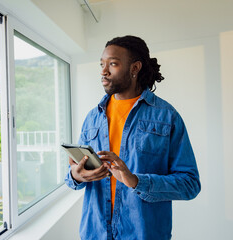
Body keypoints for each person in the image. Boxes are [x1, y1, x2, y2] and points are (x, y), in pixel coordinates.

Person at [65, 35, 201, 240]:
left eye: (113, 64)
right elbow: (73, 175)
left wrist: (136, 181)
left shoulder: (167, 116)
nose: (103, 71)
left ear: (135, 68)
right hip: (95, 233)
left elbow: (190, 185)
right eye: (102, 64)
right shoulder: (93, 117)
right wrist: (76, 175)